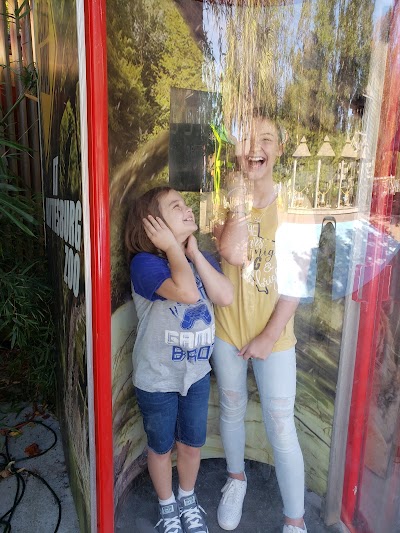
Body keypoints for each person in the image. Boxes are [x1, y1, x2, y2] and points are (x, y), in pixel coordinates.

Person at [212, 108, 311, 533]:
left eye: (266, 139)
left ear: (280, 149)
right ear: (236, 150)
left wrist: (270, 336)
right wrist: (239, 198)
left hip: (276, 335)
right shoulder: (222, 199)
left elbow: (297, 281)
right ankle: (236, 480)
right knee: (232, 406)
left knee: (279, 423)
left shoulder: (296, 206)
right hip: (229, 327)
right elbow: (234, 254)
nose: (256, 148)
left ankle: (295, 520)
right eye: (248, 139)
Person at [125, 186, 233, 533]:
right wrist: (172, 248)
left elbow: (225, 296)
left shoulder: (198, 260)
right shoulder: (145, 264)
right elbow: (187, 293)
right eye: (176, 207)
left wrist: (193, 252)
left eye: (186, 205)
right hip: (157, 378)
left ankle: (187, 499)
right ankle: (168, 507)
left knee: (191, 444)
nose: (188, 209)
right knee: (160, 448)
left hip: (196, 374)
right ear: (153, 225)